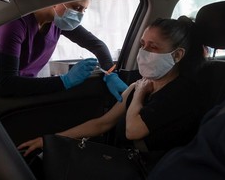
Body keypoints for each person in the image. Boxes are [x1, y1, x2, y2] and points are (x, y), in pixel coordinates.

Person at [18, 16, 207, 171]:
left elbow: (133, 130)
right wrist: (51, 140)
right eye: (142, 44)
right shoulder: (142, 84)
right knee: (45, 162)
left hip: (155, 170)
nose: (143, 52)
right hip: (127, 161)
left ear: (177, 55)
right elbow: (103, 123)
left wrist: (139, 94)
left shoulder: (182, 92)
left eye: (153, 47)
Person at [0, 0, 127, 101]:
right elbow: (6, 84)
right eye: (76, 7)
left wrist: (110, 72)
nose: (78, 15)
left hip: (18, 90)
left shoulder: (59, 22)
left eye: (83, 10)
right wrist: (65, 81)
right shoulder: (15, 24)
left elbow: (97, 45)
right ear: (56, 1)